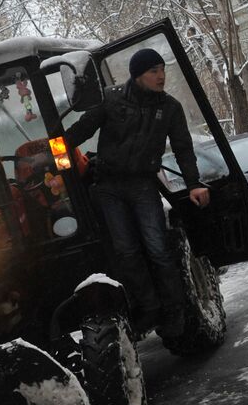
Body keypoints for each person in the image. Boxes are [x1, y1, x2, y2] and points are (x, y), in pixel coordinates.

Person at [66, 48, 211, 343]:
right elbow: (79, 131)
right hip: (108, 185)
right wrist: (48, 150)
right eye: (153, 71)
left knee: (157, 247)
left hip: (143, 184)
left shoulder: (170, 108)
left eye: (162, 69)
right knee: (126, 250)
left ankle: (174, 310)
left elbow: (183, 147)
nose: (161, 76)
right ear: (137, 75)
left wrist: (194, 183)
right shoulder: (111, 98)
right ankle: (149, 307)